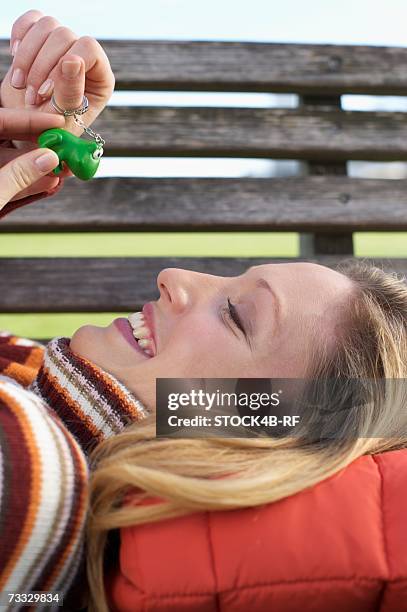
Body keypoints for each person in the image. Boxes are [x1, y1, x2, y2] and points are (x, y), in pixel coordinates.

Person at [1, 9, 407, 612]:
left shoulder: (34, 477)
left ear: (239, 438)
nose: (174, 278)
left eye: (238, 317)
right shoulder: (33, 405)